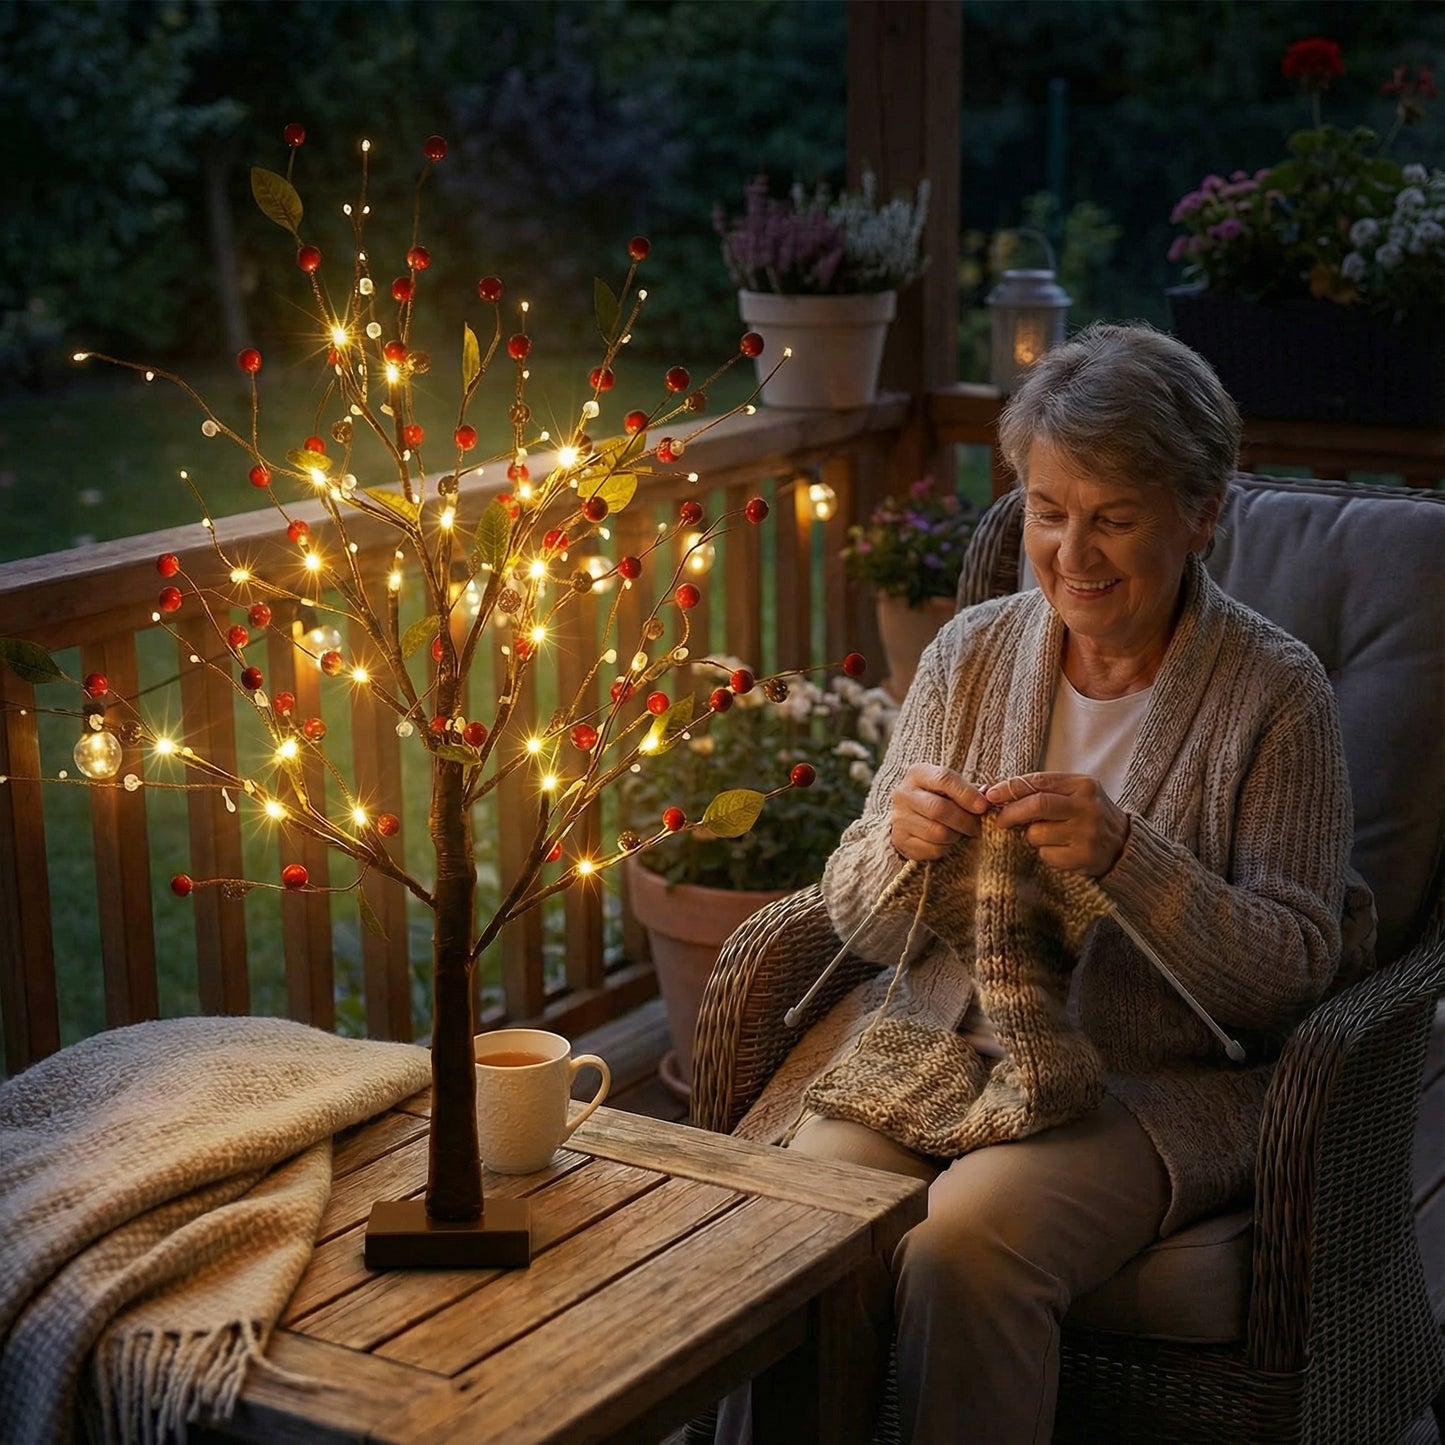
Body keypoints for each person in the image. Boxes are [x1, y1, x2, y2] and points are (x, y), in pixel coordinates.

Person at [719, 321, 1357, 1445]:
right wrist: (896, 847)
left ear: (1199, 513)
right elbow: (862, 929)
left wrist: (1127, 857)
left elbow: (1296, 970)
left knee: (965, 1241)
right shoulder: (969, 652)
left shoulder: (1274, 694)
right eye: (1047, 512)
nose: (1071, 552)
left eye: (1113, 516)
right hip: (935, 1044)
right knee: (805, 1224)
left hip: (1141, 1084)